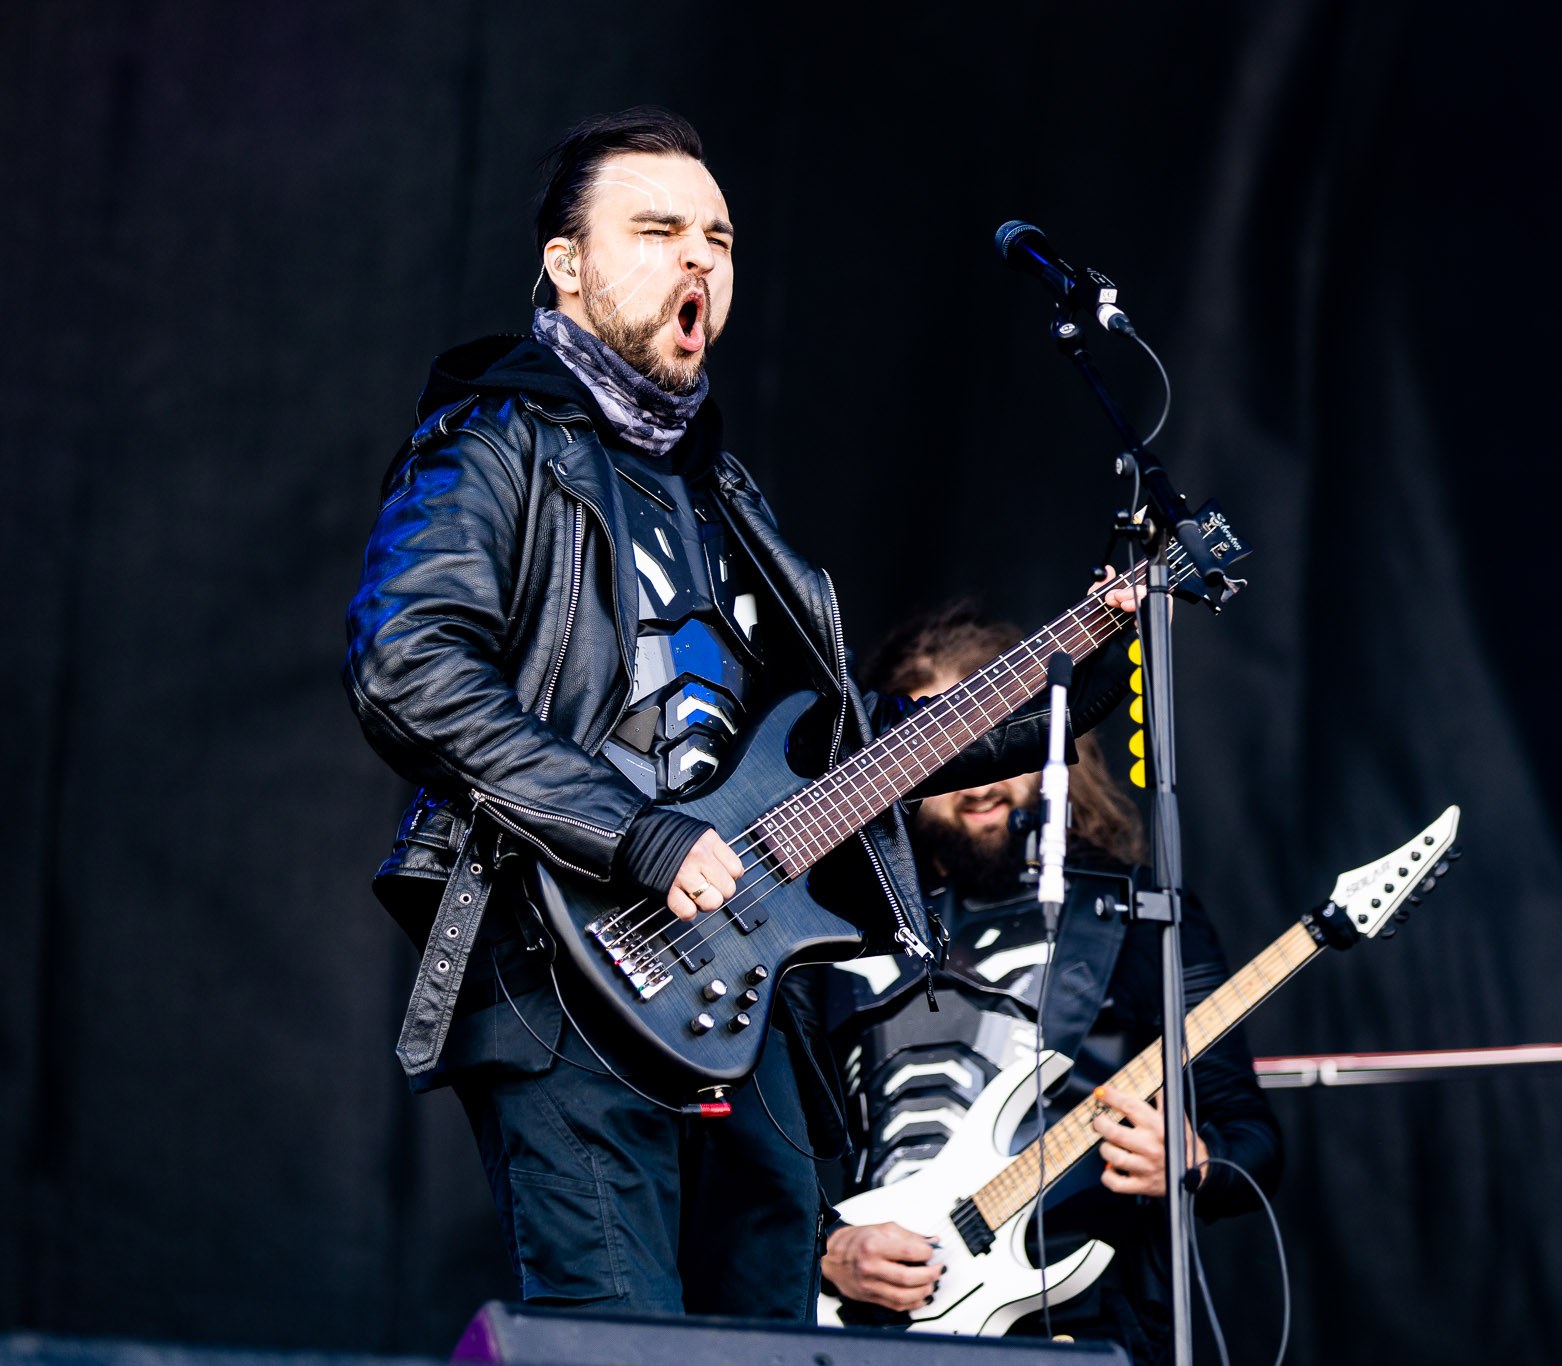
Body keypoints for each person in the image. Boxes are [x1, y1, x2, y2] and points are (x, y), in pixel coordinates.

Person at [343, 108, 1132, 1321]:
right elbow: (408, 665)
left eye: (716, 238)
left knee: (769, 1323)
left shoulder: (720, 492)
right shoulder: (492, 444)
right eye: (656, 230)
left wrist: (1076, 669)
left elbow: (849, 745)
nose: (697, 258)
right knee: (621, 1331)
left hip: (738, 985)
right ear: (566, 264)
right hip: (566, 964)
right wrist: (636, 834)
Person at [816, 605, 1281, 1363]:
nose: (978, 779)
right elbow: (758, 1163)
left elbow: (1253, 1137)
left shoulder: (1135, 913)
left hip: (1075, 1320)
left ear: (1050, 742)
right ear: (894, 765)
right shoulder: (829, 933)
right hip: (859, 1329)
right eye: (944, 747)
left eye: (1000, 738)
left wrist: (1191, 1160)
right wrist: (828, 1247)